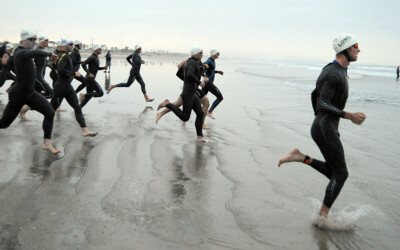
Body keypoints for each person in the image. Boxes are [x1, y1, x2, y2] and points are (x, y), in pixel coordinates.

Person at [278, 34, 366, 219]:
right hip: (324, 128)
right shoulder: (333, 73)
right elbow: (322, 104)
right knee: (341, 174)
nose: (359, 49)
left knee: (336, 173)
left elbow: (313, 95)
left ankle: (300, 157)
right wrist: (347, 116)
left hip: (326, 127)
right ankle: (323, 216)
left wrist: (322, 121)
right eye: (355, 46)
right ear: (346, 49)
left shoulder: (339, 71)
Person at [0, 28, 60, 154]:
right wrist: (50, 54)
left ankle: (46, 143)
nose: (34, 42)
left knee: (50, 112)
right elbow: (33, 53)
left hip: (30, 93)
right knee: (4, 124)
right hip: (18, 95)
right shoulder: (20, 53)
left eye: (35, 39)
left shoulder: (24, 53)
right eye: (31, 39)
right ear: (23, 40)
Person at [157, 46, 207, 141]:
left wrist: (188, 82)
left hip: (191, 91)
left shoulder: (190, 62)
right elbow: (189, 74)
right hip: (188, 92)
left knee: (200, 114)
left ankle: (200, 136)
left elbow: (179, 74)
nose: (202, 54)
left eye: (202, 53)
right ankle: (167, 104)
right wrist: (198, 82)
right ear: (195, 53)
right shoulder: (193, 63)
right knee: (185, 117)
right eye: (200, 53)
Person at [50, 38, 98, 137]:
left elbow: (57, 68)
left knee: (77, 107)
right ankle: (46, 136)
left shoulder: (64, 56)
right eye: (70, 44)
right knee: (50, 111)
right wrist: (73, 73)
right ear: (64, 45)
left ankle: (85, 130)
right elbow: (61, 69)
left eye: (72, 44)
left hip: (68, 87)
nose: (72, 45)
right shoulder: (63, 55)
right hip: (60, 88)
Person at [202, 49, 224, 119]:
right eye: (217, 53)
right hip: (208, 83)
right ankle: (210, 112)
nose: (218, 55)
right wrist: (204, 76)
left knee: (200, 100)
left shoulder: (212, 61)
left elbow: (210, 70)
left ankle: (186, 109)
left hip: (206, 83)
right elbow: (203, 65)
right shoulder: (210, 60)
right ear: (214, 54)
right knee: (220, 97)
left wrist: (218, 72)